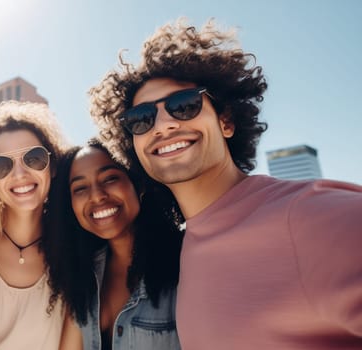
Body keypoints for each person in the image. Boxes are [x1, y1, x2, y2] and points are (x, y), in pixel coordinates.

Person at [88, 18, 362, 349]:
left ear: (226, 121)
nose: (162, 125)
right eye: (141, 119)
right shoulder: (187, 245)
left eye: (183, 105)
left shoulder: (307, 216)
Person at [45, 139, 183, 350]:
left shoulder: (184, 260)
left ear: (137, 183)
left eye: (110, 179)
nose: (97, 196)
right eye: (80, 188)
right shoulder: (84, 276)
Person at [0, 101, 67, 349]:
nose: (20, 174)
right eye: (2, 165)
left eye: (34, 158)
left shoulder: (74, 251)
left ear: (52, 166)